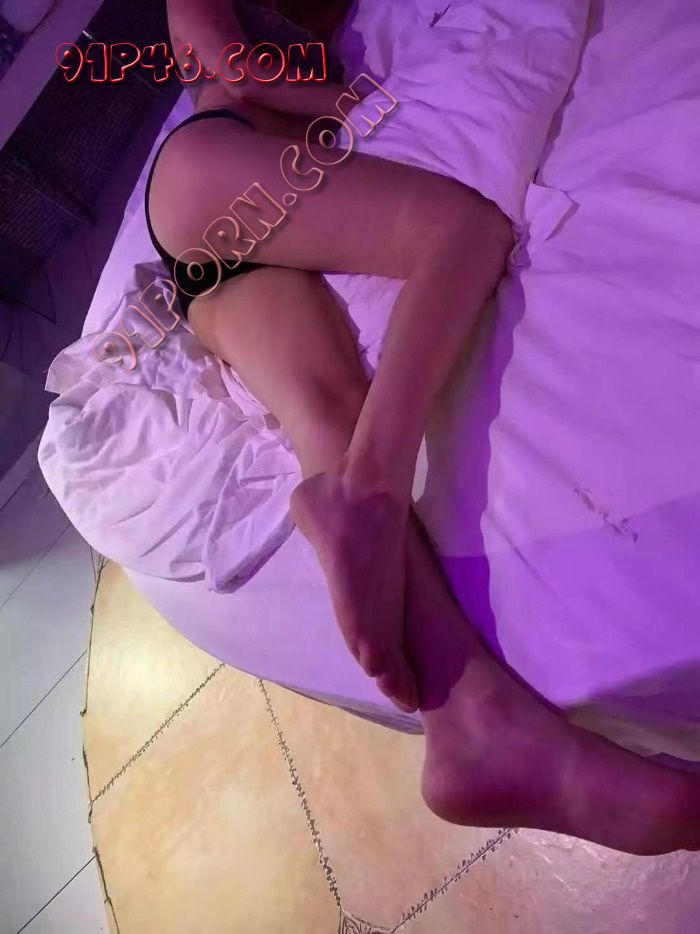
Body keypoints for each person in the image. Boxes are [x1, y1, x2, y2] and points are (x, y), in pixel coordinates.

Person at [145, 0, 700, 854]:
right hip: (209, 170)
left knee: (328, 408)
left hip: (213, 260)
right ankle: (372, 486)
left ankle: (472, 721)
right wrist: (352, 104)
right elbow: (237, 71)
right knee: (464, 230)